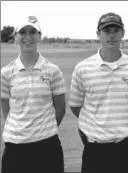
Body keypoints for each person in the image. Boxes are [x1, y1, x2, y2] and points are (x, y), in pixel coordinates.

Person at [69, 12, 128, 173]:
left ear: (123, 33)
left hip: (126, 148)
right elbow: (76, 106)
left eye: (116, 30)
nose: (111, 35)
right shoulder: (83, 68)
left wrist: (121, 120)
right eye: (107, 31)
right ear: (98, 34)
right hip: (94, 149)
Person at [1, 16, 66, 173]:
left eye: (33, 32)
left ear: (39, 36)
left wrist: (42, 131)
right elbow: (7, 111)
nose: (28, 37)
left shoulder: (53, 71)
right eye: (22, 32)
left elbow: (60, 110)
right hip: (15, 147)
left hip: (47, 146)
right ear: (16, 36)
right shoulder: (6, 73)